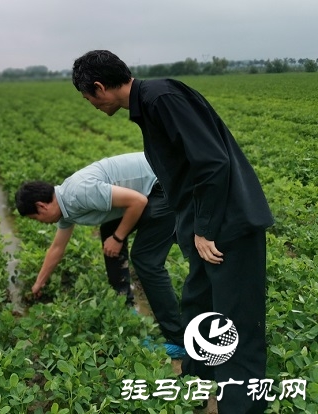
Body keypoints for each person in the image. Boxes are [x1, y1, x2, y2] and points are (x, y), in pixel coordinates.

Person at [72, 50, 274, 414]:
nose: (89, 104)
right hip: (205, 225)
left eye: (87, 97)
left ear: (99, 87)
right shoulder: (149, 105)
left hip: (227, 227)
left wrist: (205, 228)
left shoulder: (161, 98)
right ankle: (200, 389)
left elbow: (212, 162)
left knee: (236, 324)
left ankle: (240, 406)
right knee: (199, 305)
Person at [15, 152, 185, 358]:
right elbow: (57, 248)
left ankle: (178, 339)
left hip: (163, 184)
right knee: (108, 232)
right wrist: (38, 283)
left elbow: (138, 201)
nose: (40, 223)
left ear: (42, 207)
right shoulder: (64, 203)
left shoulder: (78, 193)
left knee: (145, 260)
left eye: (36, 218)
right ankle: (126, 303)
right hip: (150, 187)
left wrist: (119, 237)